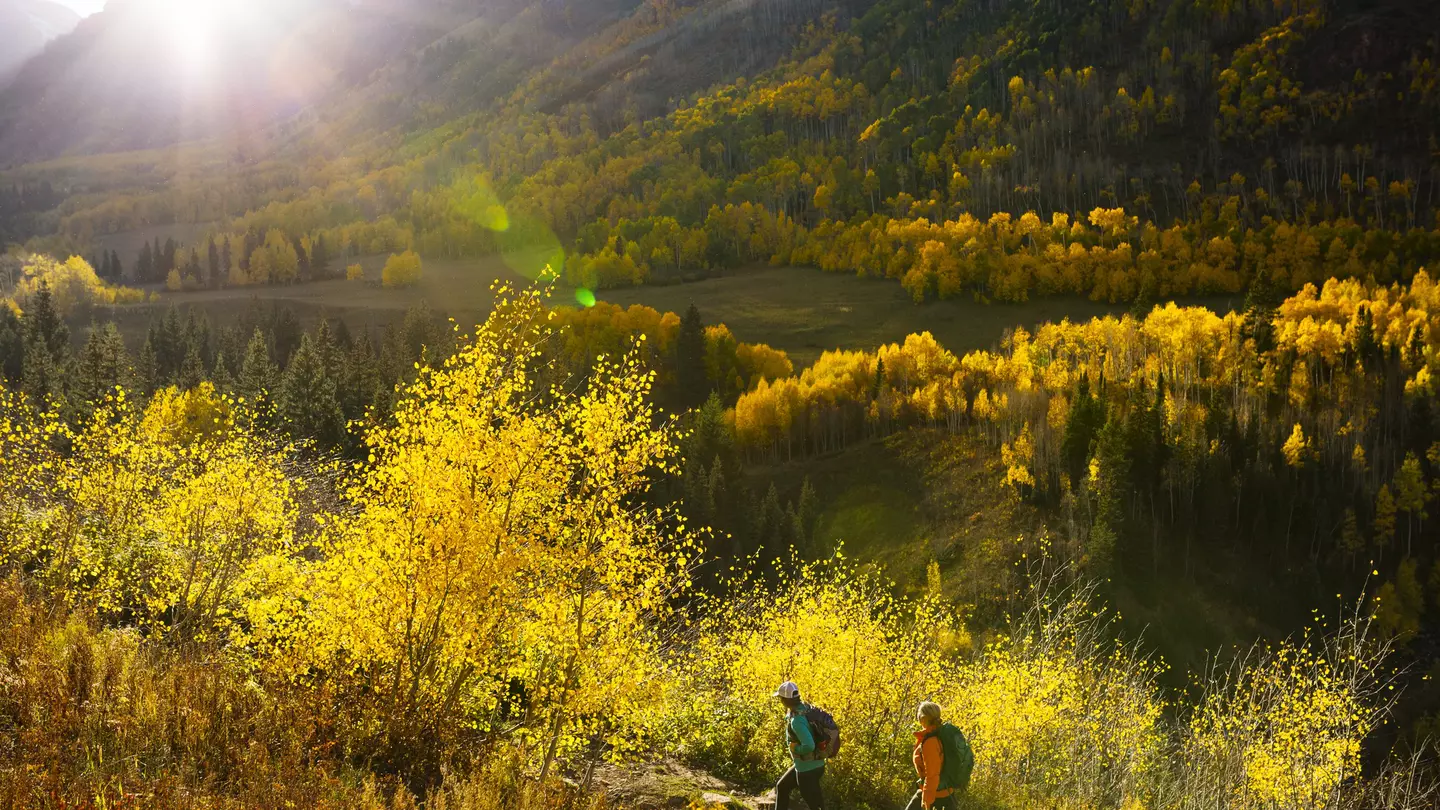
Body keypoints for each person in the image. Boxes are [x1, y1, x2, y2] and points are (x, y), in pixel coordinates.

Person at [772, 680, 825, 810]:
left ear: (785, 700)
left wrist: (795, 748)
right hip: (814, 764)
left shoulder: (796, 721)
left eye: (780, 698)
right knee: (782, 787)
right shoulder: (805, 709)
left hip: (807, 770)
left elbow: (809, 745)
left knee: (814, 806)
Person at [907, 701, 969, 810]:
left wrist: (926, 800)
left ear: (922, 718)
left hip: (935, 795)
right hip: (946, 793)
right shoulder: (941, 735)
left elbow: (932, 774)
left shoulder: (930, 742)